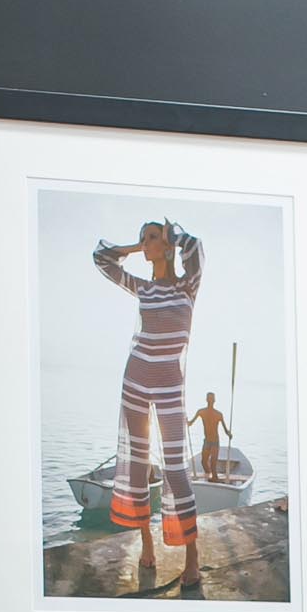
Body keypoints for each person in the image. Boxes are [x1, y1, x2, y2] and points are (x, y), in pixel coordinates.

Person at [93, 219, 203, 592]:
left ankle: (193, 557)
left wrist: (171, 238)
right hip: (136, 378)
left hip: (170, 382)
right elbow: (102, 259)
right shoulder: (143, 288)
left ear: (169, 244)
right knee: (138, 466)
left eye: (151, 235)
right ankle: (147, 544)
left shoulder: (188, 285)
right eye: (144, 236)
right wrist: (138, 247)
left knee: (176, 469)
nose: (146, 241)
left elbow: (196, 250)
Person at [188, 391, 228, 482]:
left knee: (213, 463)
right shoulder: (201, 412)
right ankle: (209, 475)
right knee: (203, 462)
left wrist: (229, 434)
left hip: (215, 441)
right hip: (206, 441)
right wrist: (187, 422)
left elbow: (225, 430)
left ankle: (214, 478)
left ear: (214, 401)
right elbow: (191, 423)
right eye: (209, 398)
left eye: (211, 399)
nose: (210, 400)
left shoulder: (219, 414)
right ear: (206, 400)